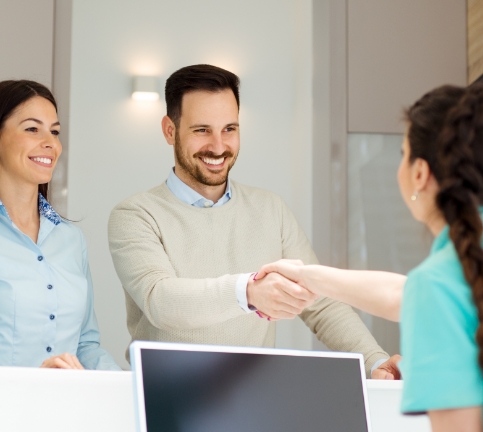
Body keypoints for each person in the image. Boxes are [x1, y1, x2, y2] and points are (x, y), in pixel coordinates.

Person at [257, 83, 483, 432]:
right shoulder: (457, 274)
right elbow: (406, 294)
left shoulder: (444, 282)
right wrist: (310, 274)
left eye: (403, 154)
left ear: (420, 174)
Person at [108, 64, 400, 378]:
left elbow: (321, 302)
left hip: (252, 398)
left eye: (229, 129)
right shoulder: (136, 214)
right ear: (170, 130)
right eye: (202, 130)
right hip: (164, 398)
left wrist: (374, 361)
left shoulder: (271, 209)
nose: (218, 147)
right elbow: (160, 301)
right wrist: (247, 292)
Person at [0, 79, 119, 370]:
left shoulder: (71, 239)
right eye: (32, 129)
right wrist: (33, 381)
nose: (51, 143)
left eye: (55, 132)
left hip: (65, 411)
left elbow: (86, 345)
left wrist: (127, 387)